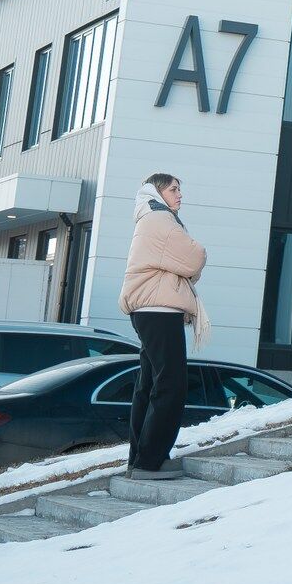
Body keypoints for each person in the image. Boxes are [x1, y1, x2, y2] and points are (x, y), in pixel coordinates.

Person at [117, 171, 206, 479]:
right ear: (157, 192)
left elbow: (183, 263)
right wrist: (190, 264)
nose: (180, 195)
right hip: (159, 311)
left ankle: (139, 459)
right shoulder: (160, 219)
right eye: (173, 189)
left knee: (149, 385)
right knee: (171, 384)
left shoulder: (148, 218)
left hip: (148, 310)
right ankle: (150, 461)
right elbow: (194, 258)